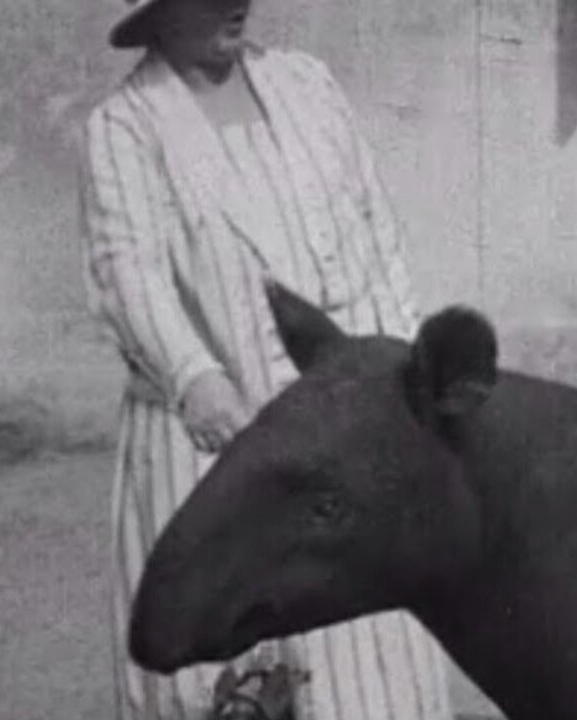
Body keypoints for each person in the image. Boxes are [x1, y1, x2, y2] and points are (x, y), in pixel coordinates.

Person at [77, 0, 453, 718]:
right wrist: (195, 376)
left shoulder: (305, 84)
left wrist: (409, 371)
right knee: (237, 681)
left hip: (349, 425)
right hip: (216, 439)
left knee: (374, 667)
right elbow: (127, 272)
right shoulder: (125, 127)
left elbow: (375, 232)